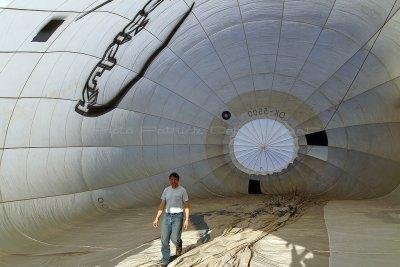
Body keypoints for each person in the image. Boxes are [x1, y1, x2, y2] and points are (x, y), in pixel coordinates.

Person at [153, 172, 190, 266]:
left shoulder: (182, 190)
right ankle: (165, 260)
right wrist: (157, 217)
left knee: (174, 238)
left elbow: (186, 205)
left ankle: (178, 243)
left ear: (178, 180)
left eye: (175, 179)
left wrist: (186, 219)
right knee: (164, 240)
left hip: (178, 216)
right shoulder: (166, 190)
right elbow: (162, 204)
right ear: (169, 180)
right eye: (171, 179)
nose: (173, 181)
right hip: (167, 216)